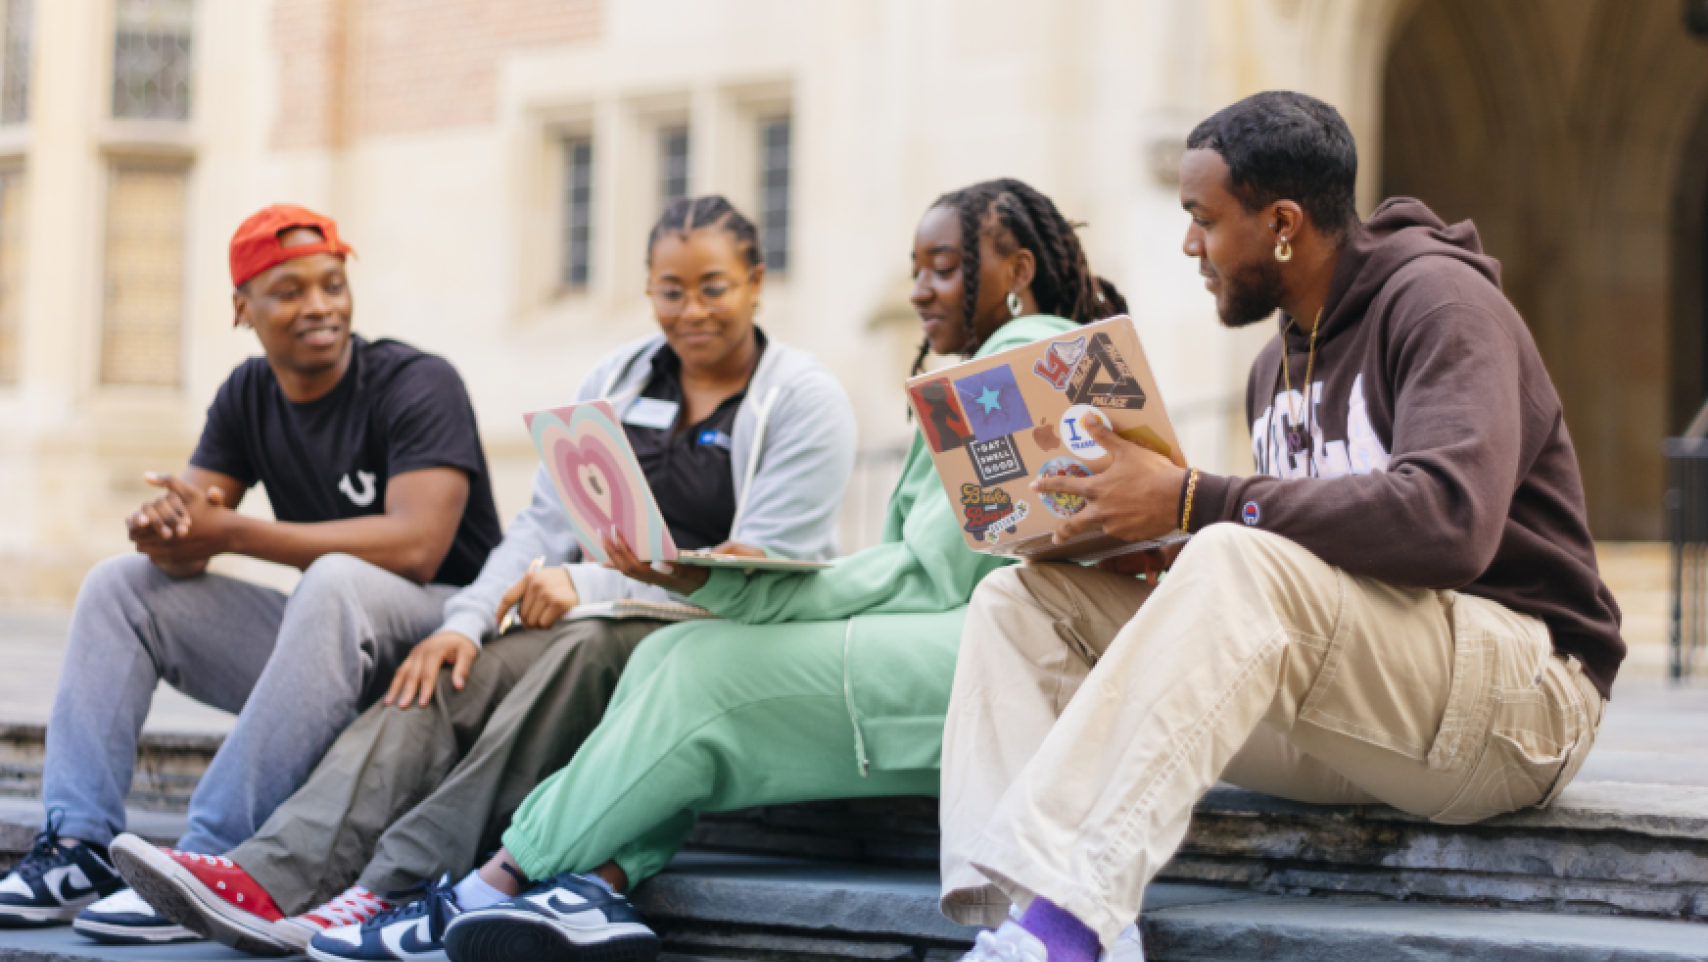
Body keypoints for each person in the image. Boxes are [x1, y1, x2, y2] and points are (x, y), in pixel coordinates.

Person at [937, 92, 1624, 962]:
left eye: (1203, 219)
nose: (1190, 246)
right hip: (1362, 717)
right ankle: (1025, 921)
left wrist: (1195, 503)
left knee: (1228, 551)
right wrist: (1143, 540)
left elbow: (1451, 525)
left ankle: (1074, 923)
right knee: (1022, 601)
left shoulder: (1441, 306)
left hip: (1520, 703)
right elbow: (1308, 568)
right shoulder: (1275, 365)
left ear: (1284, 224)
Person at [382, 179, 1130, 962]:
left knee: (707, 668)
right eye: (915, 269)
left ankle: (494, 882)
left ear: (1015, 272)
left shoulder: (1015, 360)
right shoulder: (1018, 360)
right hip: (975, 641)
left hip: (997, 658)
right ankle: (600, 880)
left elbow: (935, 579)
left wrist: (752, 586)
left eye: (942, 268)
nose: (917, 291)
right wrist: (750, 583)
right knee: (672, 654)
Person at [108, 195, 859, 957]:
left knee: (569, 655)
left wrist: (589, 588)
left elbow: (759, 573)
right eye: (671, 290)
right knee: (436, 674)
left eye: (714, 287)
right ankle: (270, 877)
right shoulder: (621, 377)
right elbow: (540, 526)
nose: (691, 310)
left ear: (757, 282)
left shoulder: (801, 401)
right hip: (592, 614)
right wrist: (463, 623)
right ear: (648, 288)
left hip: (712, 635)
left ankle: (389, 887)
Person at [0, 205, 504, 943]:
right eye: (291, 291)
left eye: (332, 284)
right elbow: (197, 525)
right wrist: (167, 531)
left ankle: (206, 858)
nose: (320, 306)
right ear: (243, 309)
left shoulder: (416, 381)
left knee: (333, 581)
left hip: (444, 653)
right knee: (120, 586)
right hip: (329, 656)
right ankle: (79, 847)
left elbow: (418, 546)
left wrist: (229, 530)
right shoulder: (247, 393)